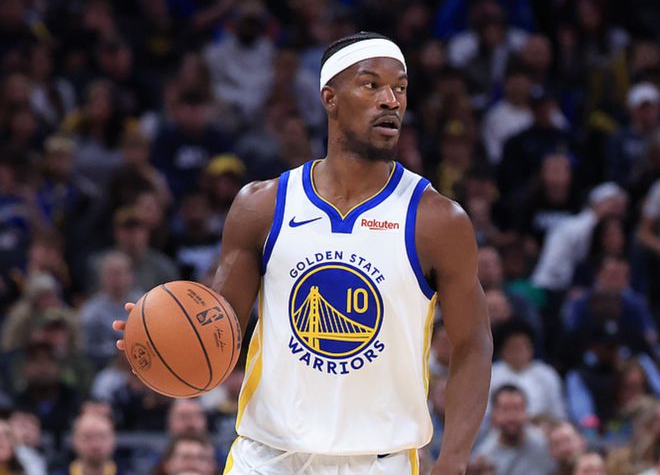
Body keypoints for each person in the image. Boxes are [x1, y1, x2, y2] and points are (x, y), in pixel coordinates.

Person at [116, 31, 493, 474]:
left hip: (378, 462)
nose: (390, 100)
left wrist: (453, 461)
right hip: (265, 456)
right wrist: (160, 337)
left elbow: (473, 344)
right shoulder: (262, 205)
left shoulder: (438, 220)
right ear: (329, 98)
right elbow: (221, 332)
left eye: (400, 88)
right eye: (371, 85)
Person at [472, 384, 555, 475]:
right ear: (493, 415)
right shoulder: (484, 457)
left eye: (517, 408)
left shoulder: (546, 444)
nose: (511, 417)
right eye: (505, 410)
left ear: (527, 413)